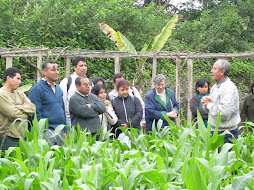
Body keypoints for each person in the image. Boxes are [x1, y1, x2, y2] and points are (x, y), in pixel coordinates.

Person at [201, 59, 241, 144]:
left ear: (222, 72)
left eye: (214, 69)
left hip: (226, 134)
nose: (211, 71)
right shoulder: (215, 87)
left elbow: (225, 113)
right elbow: (210, 110)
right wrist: (206, 103)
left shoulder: (229, 88)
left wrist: (209, 105)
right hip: (214, 131)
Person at [28, 60, 66, 145]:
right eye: (53, 70)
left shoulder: (58, 88)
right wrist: (42, 131)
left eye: (57, 70)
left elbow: (62, 109)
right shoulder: (37, 89)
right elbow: (36, 112)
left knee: (60, 157)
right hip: (47, 132)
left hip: (60, 130)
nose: (56, 72)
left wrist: (65, 130)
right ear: (44, 72)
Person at [0, 67, 35, 151]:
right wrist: (25, 110)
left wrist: (17, 106)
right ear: (8, 78)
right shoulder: (1, 94)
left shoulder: (20, 94)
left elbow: (32, 108)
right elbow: (13, 114)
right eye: (18, 79)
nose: (20, 82)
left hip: (22, 138)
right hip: (8, 138)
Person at [60, 56, 87, 127]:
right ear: (74, 67)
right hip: (70, 120)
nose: (84, 68)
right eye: (81, 66)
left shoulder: (90, 83)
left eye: (85, 65)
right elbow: (62, 102)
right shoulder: (67, 82)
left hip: (86, 120)